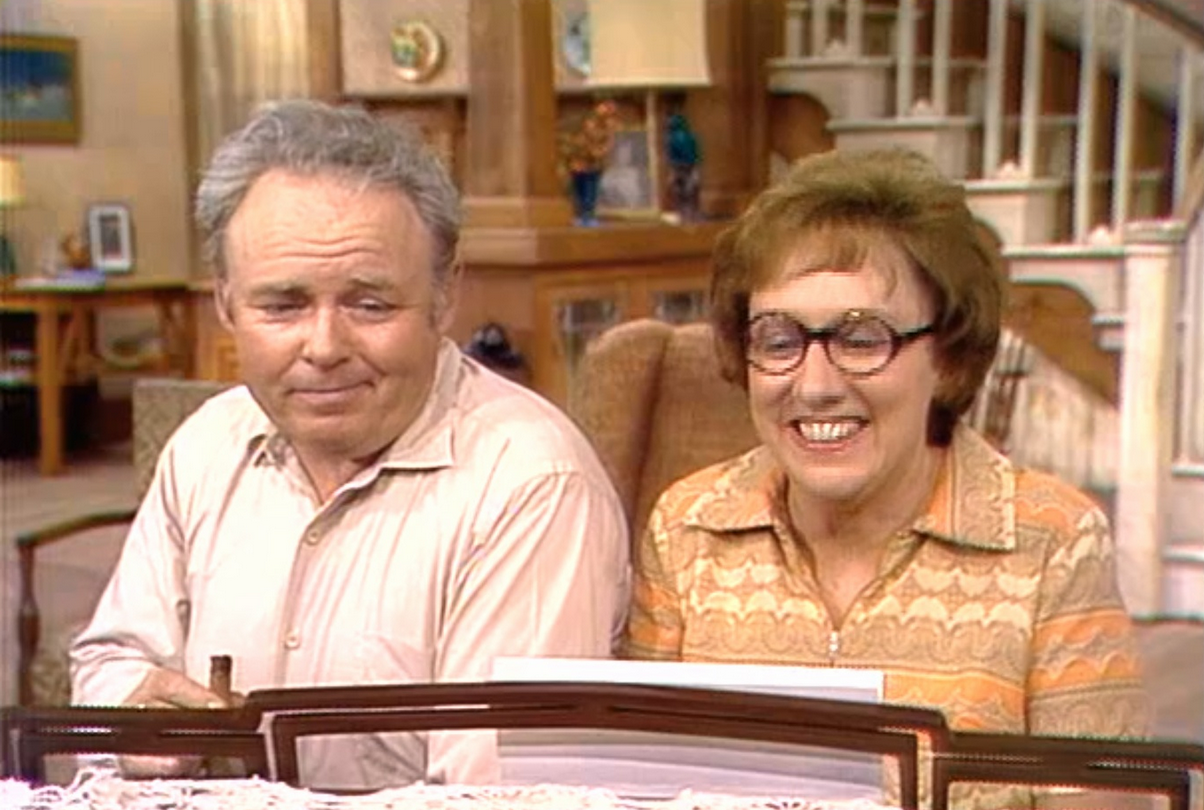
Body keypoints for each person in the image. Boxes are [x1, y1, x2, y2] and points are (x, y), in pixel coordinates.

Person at [70, 99, 630, 788]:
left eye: (370, 304)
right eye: (283, 305)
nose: (325, 347)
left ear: (444, 296)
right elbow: (111, 660)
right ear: (225, 303)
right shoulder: (208, 443)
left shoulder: (532, 484)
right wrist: (135, 719)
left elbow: (497, 797)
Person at [622, 149, 1149, 808]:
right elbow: (634, 792)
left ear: (948, 356)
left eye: (862, 340)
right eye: (779, 341)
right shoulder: (687, 527)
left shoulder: (1053, 542)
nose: (815, 386)